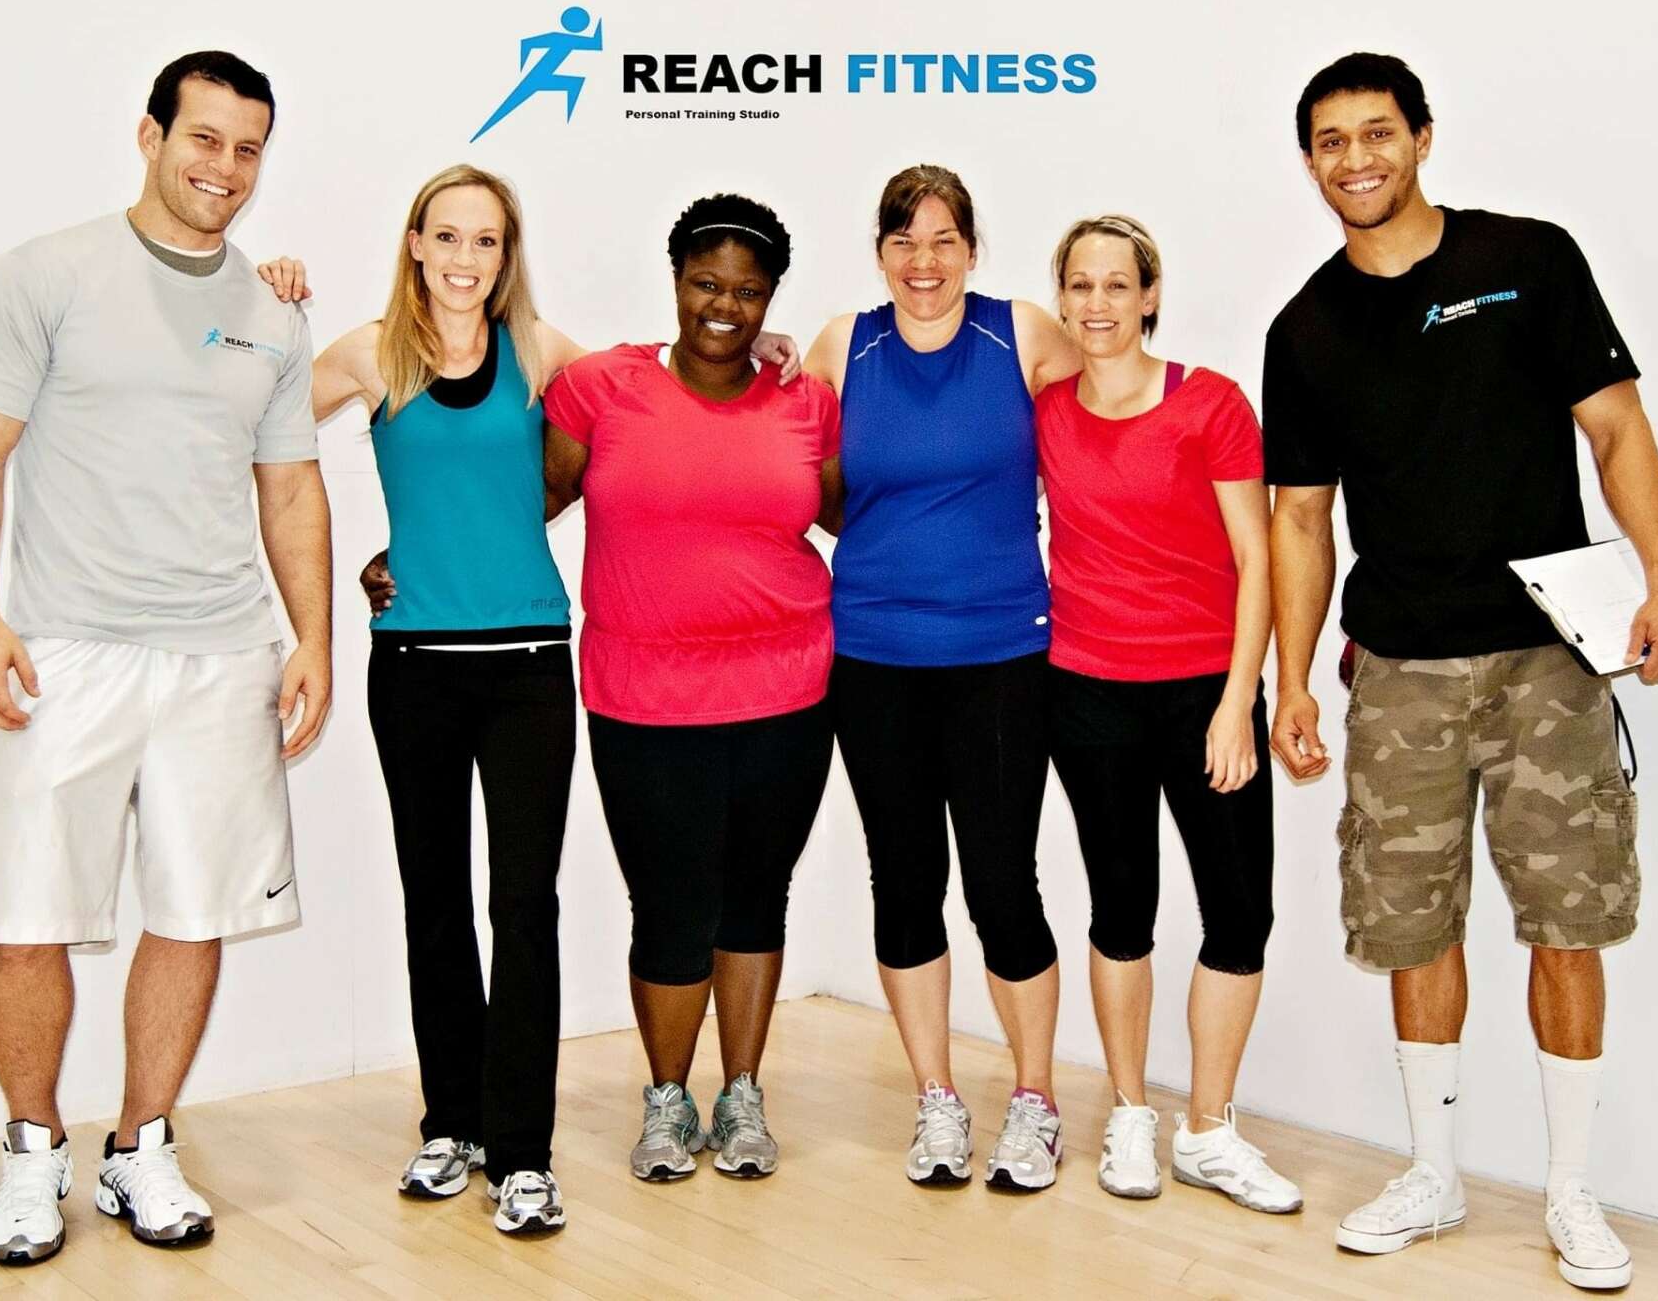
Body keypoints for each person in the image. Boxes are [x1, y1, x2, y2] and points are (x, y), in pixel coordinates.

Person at [274, 172, 806, 1229]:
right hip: (413, 661)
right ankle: (451, 1125)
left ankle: (522, 1152)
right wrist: (263, 301)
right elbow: (256, 418)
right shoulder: (368, 355)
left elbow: (661, 381)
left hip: (528, 665)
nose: (466, 258)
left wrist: (765, 350)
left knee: (524, 907)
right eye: (448, 237)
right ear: (416, 243)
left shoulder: (543, 352)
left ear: (506, 254)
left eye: (487, 240)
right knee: (433, 900)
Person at [1264, 53, 1658, 1291]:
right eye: (1332, 141)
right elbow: (1302, 519)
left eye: (1377, 133)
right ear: (1310, 163)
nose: (1356, 159)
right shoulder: (1305, 329)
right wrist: (1295, 681)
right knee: (1411, 927)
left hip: (1547, 661)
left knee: (1570, 922)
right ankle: (1434, 1172)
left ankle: (1572, 1191)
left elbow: (1615, 426)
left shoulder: (1529, 259)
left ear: (1422, 138)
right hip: (1399, 670)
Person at [0, 52, 332, 1265]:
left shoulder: (272, 311)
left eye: (248, 148)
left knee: (194, 911)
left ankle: (140, 1146)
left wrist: (314, 636)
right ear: (151, 136)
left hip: (222, 658)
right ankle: (31, 1153)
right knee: (26, 918)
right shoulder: (46, 274)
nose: (225, 167)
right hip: (67, 651)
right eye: (204, 138)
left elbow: (290, 488)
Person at [539, 194, 840, 1183]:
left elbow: (859, 515)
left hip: (790, 690)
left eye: (748, 292)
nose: (725, 306)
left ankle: (742, 1093)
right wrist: (414, 553)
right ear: (675, 280)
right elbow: (529, 498)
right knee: (670, 907)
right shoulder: (602, 386)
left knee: (755, 898)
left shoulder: (806, 402)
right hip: (643, 697)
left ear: (771, 300)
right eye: (707, 283)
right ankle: (667, 1098)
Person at [804, 165, 1079, 1192]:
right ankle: (937, 1099)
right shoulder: (844, 344)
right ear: (881, 252)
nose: (924, 263)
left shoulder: (1024, 334)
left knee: (1003, 883)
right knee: (905, 879)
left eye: (943, 241)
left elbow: (1108, 422)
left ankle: (1036, 1100)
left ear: (972, 248)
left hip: (1002, 655)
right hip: (873, 656)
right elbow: (798, 470)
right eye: (903, 242)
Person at [1036, 215, 1301, 1213]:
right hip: (1087, 690)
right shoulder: (1045, 410)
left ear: (1149, 296)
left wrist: (1238, 701)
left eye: (1118, 284)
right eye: (1081, 284)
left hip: (1204, 691)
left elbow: (1258, 559)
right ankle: (1131, 1113)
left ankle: (1209, 1129)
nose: (1098, 303)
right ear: (1062, 298)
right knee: (1122, 907)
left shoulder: (1211, 404)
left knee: (1240, 912)